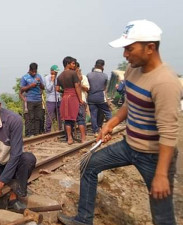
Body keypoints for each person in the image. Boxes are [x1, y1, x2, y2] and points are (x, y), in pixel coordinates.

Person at [58, 19, 182, 225]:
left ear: (150, 48)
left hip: (155, 156)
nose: (125, 54)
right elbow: (128, 104)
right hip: (128, 145)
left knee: (162, 215)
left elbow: (169, 132)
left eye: (130, 48)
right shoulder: (134, 69)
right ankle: (83, 219)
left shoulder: (165, 82)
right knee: (88, 164)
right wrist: (111, 123)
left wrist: (161, 174)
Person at [56, 57, 84, 144]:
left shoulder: (60, 76)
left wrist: (64, 91)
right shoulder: (73, 73)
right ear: (68, 64)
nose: (74, 65)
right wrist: (80, 99)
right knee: (80, 118)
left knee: (67, 119)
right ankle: (83, 138)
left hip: (65, 98)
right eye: (73, 63)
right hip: (73, 97)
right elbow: (77, 87)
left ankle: (69, 138)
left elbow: (57, 89)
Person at [86, 59, 112, 136]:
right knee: (107, 112)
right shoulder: (105, 76)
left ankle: (96, 131)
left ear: (95, 65)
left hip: (91, 98)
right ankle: (110, 127)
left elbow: (88, 87)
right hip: (101, 98)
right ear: (102, 66)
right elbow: (104, 88)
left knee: (93, 115)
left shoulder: (89, 75)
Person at [20, 63, 45, 136]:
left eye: (35, 72)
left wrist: (40, 83)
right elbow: (22, 89)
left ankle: (37, 133)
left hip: (38, 99)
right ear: (30, 70)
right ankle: (30, 134)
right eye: (33, 72)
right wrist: (31, 85)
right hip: (30, 100)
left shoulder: (39, 76)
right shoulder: (25, 77)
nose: (34, 73)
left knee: (39, 117)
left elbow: (43, 88)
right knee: (31, 117)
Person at [45, 65, 62, 132]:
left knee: (60, 116)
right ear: (51, 71)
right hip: (51, 100)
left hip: (58, 99)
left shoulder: (58, 78)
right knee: (50, 116)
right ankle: (48, 131)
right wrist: (52, 81)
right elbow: (48, 89)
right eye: (55, 72)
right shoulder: (47, 78)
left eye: (57, 72)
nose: (56, 73)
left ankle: (60, 129)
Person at [76, 62, 90, 141]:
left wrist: (79, 83)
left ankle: (83, 134)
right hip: (73, 100)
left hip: (82, 100)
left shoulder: (83, 77)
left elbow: (87, 89)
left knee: (81, 118)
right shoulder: (71, 77)